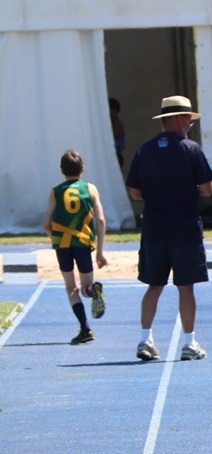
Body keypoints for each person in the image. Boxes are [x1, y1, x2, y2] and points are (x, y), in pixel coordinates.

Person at [126, 95, 212, 362]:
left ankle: (145, 338)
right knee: (185, 286)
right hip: (185, 227)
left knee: (154, 285)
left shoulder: (145, 149)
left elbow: (134, 192)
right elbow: (208, 188)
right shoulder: (191, 149)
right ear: (178, 119)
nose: (189, 122)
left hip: (154, 227)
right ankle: (189, 342)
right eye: (187, 117)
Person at [41, 150, 108, 345]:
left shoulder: (56, 191)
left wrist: (57, 237)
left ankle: (85, 328)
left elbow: (46, 223)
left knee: (71, 288)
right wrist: (101, 251)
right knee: (86, 286)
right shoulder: (91, 189)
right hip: (84, 242)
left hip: (63, 244)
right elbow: (101, 219)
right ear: (83, 168)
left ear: (62, 170)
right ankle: (93, 291)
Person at [109, 98, 125, 169]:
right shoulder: (111, 122)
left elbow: (112, 137)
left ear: (114, 110)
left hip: (115, 155)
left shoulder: (117, 123)